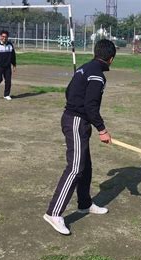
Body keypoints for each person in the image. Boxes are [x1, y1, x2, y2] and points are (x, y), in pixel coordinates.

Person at [44, 39, 116, 235]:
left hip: (77, 120)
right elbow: (91, 106)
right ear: (111, 59)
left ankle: (85, 203)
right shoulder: (98, 76)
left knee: (85, 165)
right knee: (75, 168)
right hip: (76, 121)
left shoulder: (84, 68)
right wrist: (102, 129)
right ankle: (54, 212)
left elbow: (69, 91)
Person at [0, 30, 16, 101]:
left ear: (8, 37)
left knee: (8, 81)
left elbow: (13, 56)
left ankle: (6, 95)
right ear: (0, 37)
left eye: (6, 37)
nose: (4, 38)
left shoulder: (10, 45)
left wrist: (14, 65)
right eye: (3, 36)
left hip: (7, 66)